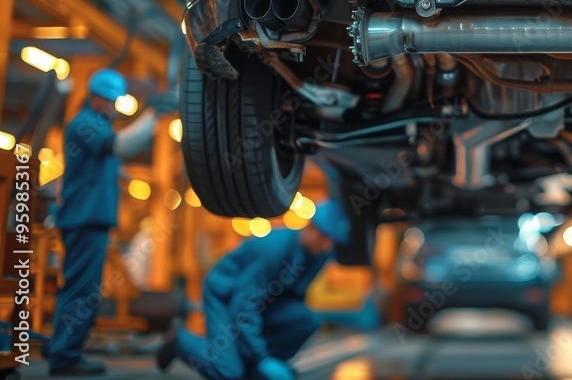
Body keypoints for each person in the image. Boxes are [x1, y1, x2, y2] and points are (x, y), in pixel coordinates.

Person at [47, 68, 178, 376]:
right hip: (84, 218)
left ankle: (62, 350)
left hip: (90, 219)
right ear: (95, 96)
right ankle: (64, 356)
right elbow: (122, 146)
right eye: (109, 100)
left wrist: (123, 176)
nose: (112, 106)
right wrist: (153, 115)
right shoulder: (86, 124)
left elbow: (112, 159)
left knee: (83, 287)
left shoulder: (99, 123)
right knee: (81, 289)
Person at [156, 201, 350, 380]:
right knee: (229, 372)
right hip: (225, 296)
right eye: (324, 238)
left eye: (332, 241)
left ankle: (255, 371)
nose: (327, 246)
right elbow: (244, 306)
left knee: (306, 321)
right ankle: (179, 339)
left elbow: (294, 298)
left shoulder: (317, 253)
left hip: (264, 301)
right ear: (310, 227)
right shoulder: (273, 248)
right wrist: (261, 357)